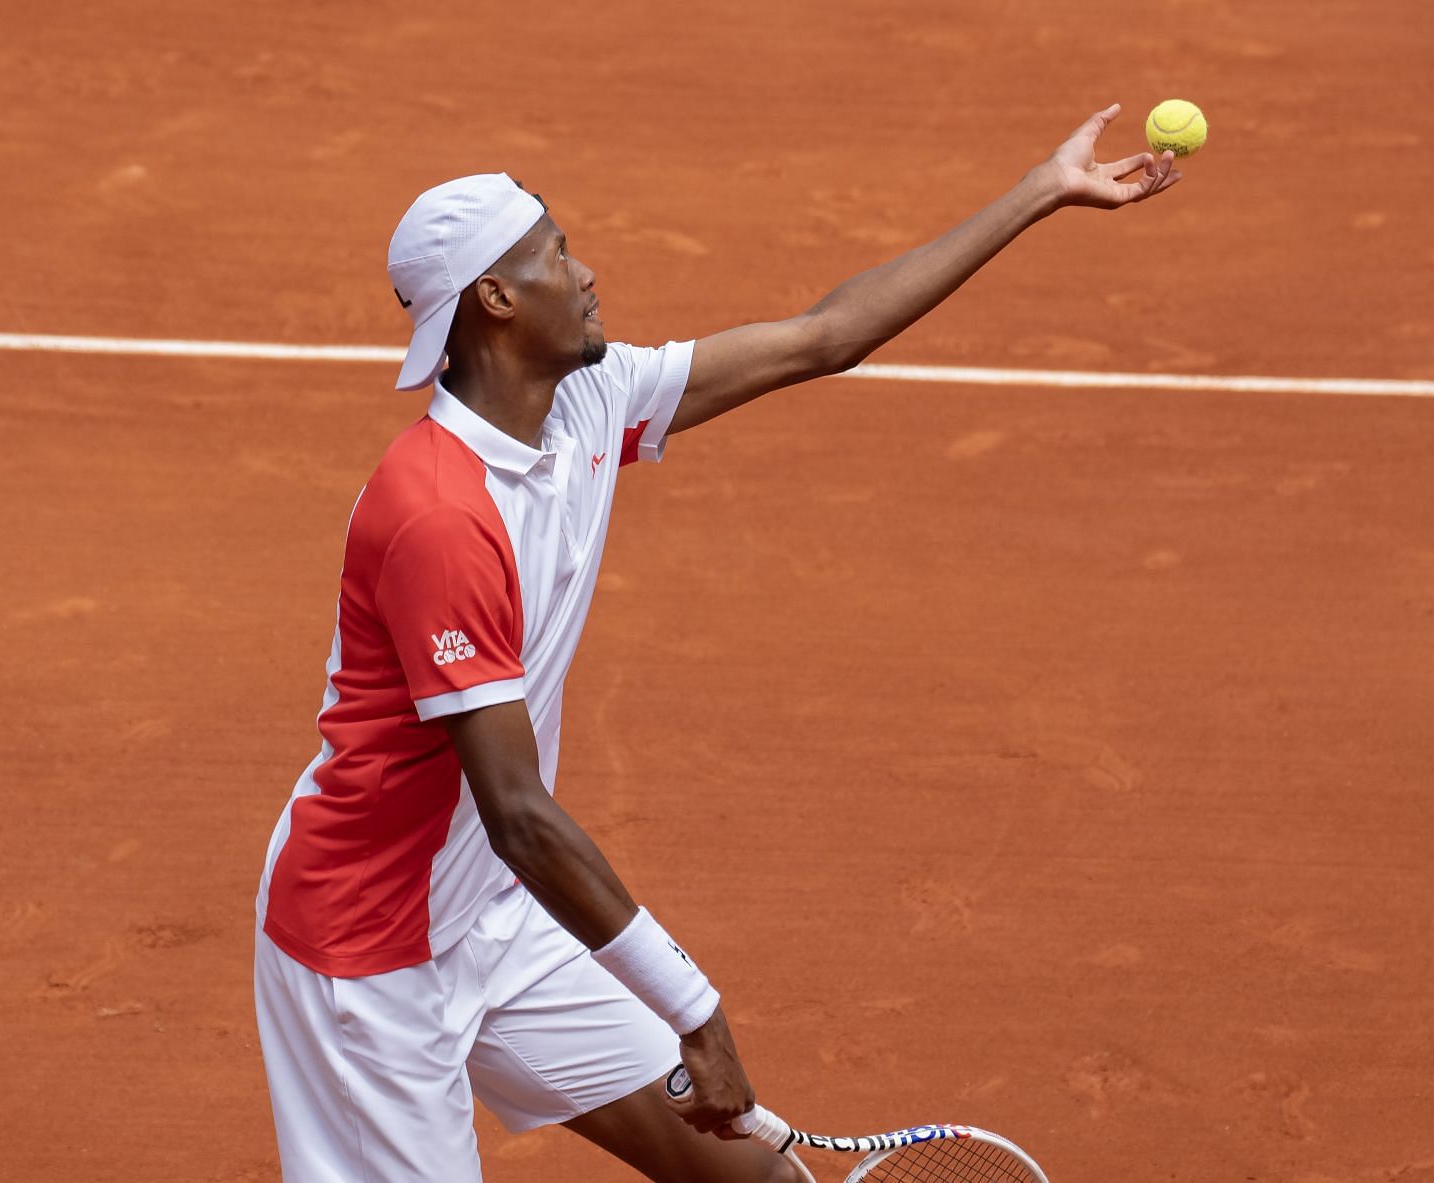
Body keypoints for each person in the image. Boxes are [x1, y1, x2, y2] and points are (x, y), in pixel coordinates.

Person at [253, 104, 1182, 1183]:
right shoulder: (438, 515)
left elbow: (824, 337)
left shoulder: (586, 403)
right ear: (496, 299)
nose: (588, 269)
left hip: (493, 916)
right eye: (556, 252)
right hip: (371, 957)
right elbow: (518, 814)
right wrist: (693, 1008)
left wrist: (1040, 190)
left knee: (756, 1176)